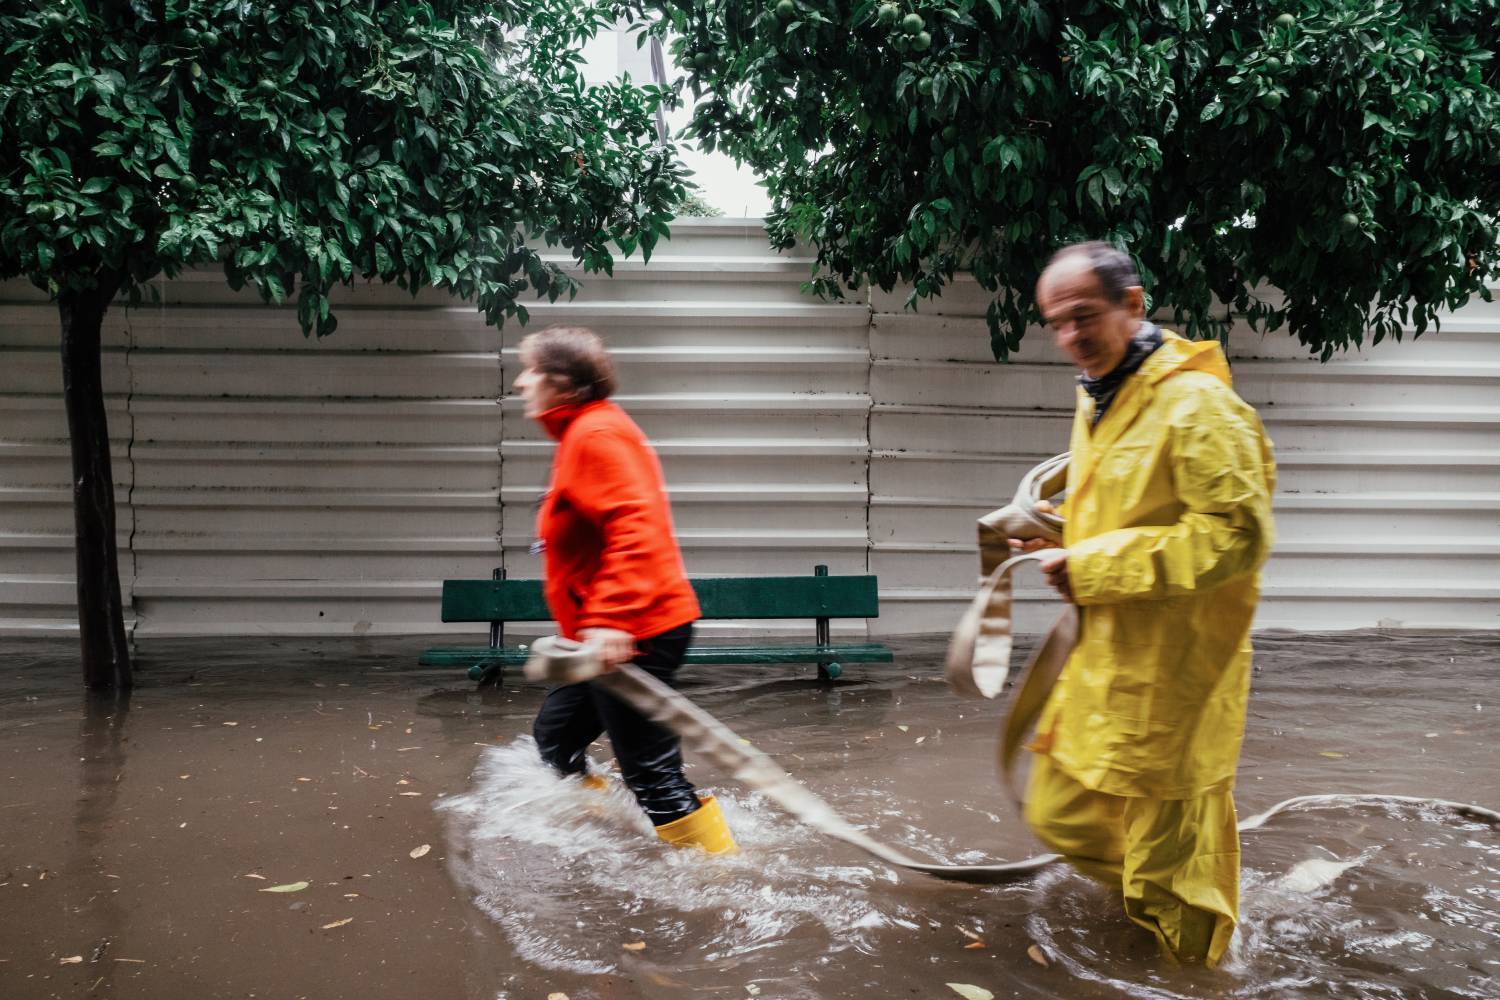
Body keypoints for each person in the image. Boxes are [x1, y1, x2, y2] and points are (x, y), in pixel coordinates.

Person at [1013, 242, 1275, 965]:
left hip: (1180, 678)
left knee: (1172, 883)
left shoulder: (1198, 406)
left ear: (1134, 304)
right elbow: (1141, 509)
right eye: (1056, 323)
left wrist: (1091, 565)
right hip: (1110, 666)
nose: (1071, 337)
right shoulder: (1100, 395)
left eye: (1084, 317)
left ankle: (1200, 971)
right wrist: (1056, 537)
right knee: (1057, 812)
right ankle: (1174, 906)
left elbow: (1237, 537)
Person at [514, 325, 736, 854]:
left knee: (652, 776)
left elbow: (636, 523)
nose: (521, 382)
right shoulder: (582, 434)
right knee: (556, 741)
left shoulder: (595, 435)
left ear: (562, 383)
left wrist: (612, 618)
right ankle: (601, 827)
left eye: (531, 370)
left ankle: (722, 878)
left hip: (633, 633)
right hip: (597, 641)